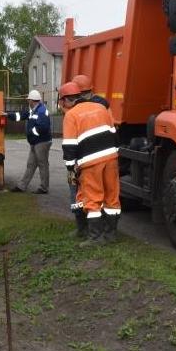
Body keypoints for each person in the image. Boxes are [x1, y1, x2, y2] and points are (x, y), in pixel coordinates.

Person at [59, 81, 120, 246]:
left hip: (90, 162)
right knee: (112, 197)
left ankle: (95, 237)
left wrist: (70, 168)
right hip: (111, 158)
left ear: (65, 100)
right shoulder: (100, 107)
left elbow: (69, 146)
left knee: (92, 199)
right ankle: (111, 235)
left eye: (61, 101)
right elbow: (114, 132)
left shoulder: (71, 115)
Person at [67, 74, 109, 238]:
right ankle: (88, 228)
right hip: (93, 157)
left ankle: (83, 228)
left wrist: (70, 165)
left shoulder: (79, 108)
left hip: (82, 159)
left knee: (77, 191)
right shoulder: (101, 105)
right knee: (96, 193)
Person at [5, 90, 52, 194]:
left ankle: (44, 188)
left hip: (41, 142)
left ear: (32, 100)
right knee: (31, 164)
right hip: (36, 142)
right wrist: (7, 115)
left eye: (28, 100)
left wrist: (31, 133)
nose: (28, 102)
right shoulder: (33, 110)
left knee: (43, 165)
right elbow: (21, 115)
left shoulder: (41, 111)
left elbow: (43, 128)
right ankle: (22, 186)